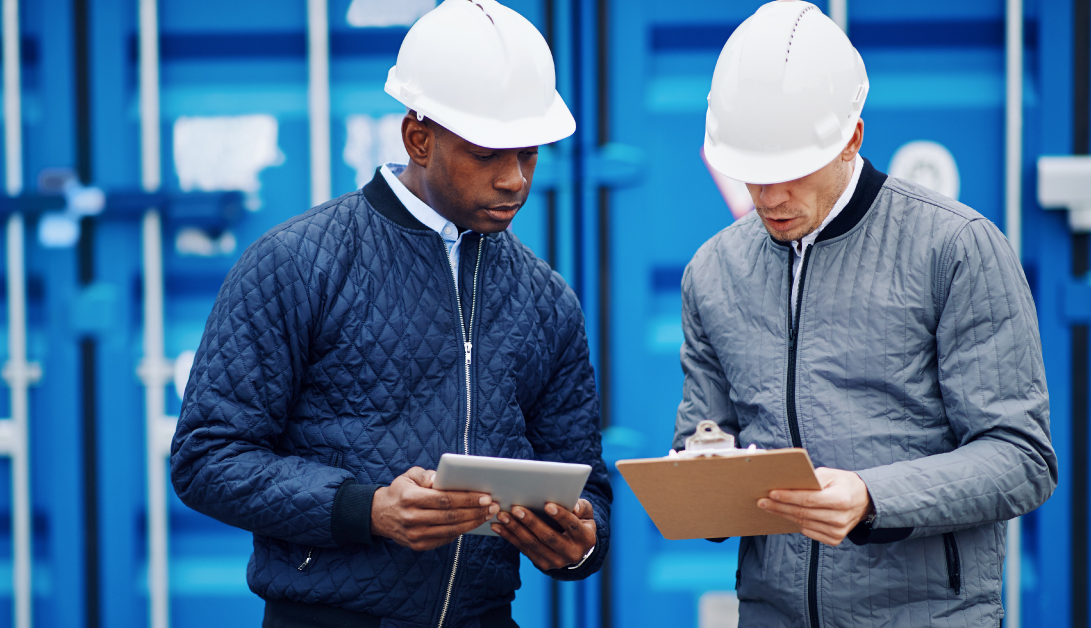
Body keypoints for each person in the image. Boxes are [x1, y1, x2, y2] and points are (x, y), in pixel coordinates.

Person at [169, 1, 610, 627]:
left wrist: (581, 544)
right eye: (488, 154)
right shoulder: (297, 263)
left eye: (529, 154)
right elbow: (206, 457)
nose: (515, 179)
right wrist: (365, 509)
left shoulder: (547, 299)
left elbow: (585, 482)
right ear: (418, 139)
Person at [674, 2, 1056, 626]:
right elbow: (702, 446)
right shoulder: (713, 272)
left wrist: (875, 497)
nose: (767, 196)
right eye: (749, 171)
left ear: (851, 138)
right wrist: (701, 482)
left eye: (789, 170)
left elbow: (1022, 457)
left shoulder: (956, 247)